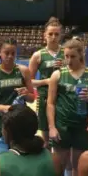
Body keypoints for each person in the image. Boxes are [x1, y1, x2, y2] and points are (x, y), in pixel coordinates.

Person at [47, 38, 88, 176]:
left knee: (79, 165)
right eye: (66, 56)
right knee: (59, 165)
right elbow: (50, 103)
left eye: (72, 56)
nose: (69, 60)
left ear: (80, 55)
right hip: (62, 125)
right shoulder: (58, 75)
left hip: (83, 125)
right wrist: (52, 127)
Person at [0, 38, 35, 150]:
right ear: (0, 52)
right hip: (0, 121)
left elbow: (32, 98)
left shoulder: (23, 71)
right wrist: (2, 108)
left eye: (13, 53)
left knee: (20, 153)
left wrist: (26, 93)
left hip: (20, 120)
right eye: (7, 53)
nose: (10, 56)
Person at [28, 17, 65, 146]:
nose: (53, 37)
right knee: (45, 132)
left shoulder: (67, 53)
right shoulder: (38, 55)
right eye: (50, 34)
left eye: (56, 34)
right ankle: (47, 158)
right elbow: (29, 81)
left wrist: (66, 67)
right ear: (45, 35)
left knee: (62, 131)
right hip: (44, 97)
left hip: (63, 96)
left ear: (61, 36)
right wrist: (47, 81)